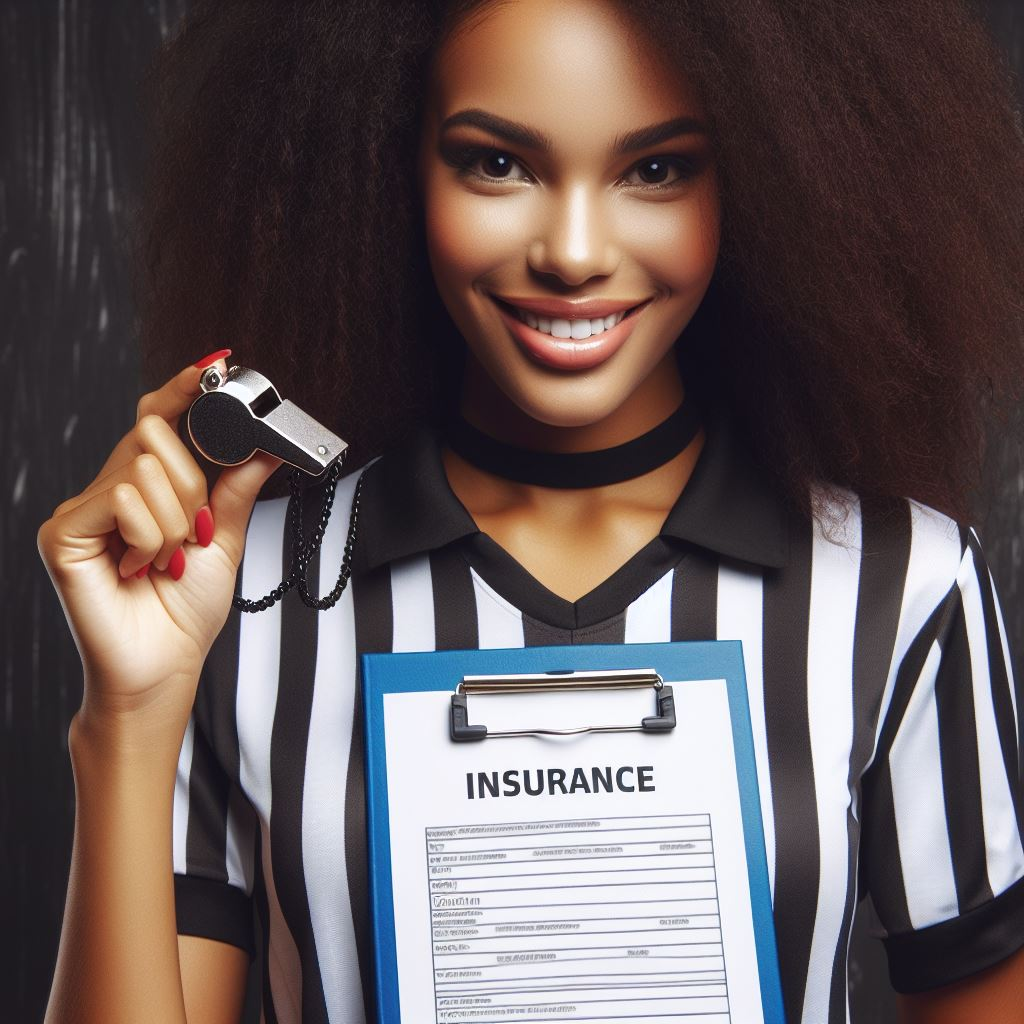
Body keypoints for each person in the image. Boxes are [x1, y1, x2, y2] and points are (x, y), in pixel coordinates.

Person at [35, 0, 1024, 1022]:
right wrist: (127, 718)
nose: (574, 250)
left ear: (764, 177)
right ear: (386, 162)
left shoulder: (901, 585)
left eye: (655, 168)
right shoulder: (240, 594)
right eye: (498, 163)